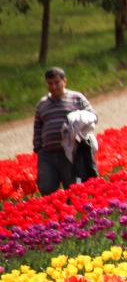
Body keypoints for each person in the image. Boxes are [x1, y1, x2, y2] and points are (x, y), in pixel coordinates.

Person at [32, 67, 97, 195]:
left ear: (64, 81)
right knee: (46, 187)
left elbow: (93, 116)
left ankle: (71, 213)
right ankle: (53, 213)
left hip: (71, 153)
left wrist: (78, 121)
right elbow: (38, 127)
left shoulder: (77, 98)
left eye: (57, 82)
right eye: (50, 83)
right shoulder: (42, 104)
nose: (54, 86)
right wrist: (38, 147)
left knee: (72, 188)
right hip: (48, 154)